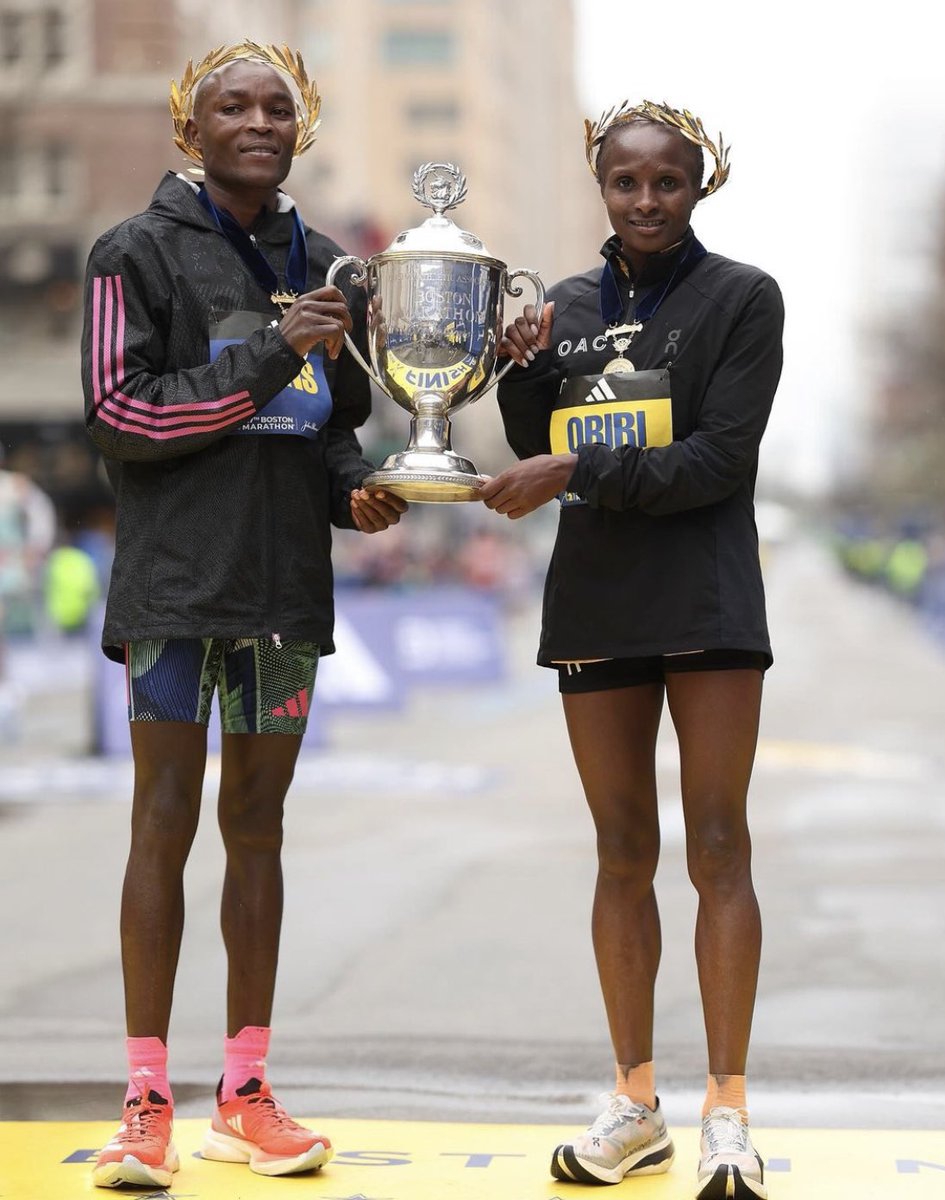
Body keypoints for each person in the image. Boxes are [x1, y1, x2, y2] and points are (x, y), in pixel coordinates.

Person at [81, 43, 407, 1189]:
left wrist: (352, 493)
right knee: (161, 822)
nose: (257, 121)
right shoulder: (132, 252)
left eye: (277, 106)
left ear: (302, 124)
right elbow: (123, 416)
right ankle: (143, 1101)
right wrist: (276, 349)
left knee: (257, 833)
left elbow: (330, 428)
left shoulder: (326, 264)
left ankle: (247, 1091)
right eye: (233, 104)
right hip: (174, 592)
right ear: (191, 123)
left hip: (282, 597)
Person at [481, 100, 783, 1200]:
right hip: (597, 604)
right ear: (599, 185)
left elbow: (715, 461)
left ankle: (730, 1115)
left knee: (716, 847)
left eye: (666, 182)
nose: (645, 200)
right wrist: (521, 371)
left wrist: (570, 470)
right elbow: (527, 438)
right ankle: (636, 1103)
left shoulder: (743, 298)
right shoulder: (563, 305)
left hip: (706, 603)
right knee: (619, 852)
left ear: (699, 184)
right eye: (625, 183)